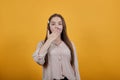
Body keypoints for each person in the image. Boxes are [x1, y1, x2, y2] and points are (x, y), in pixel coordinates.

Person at [32, 13, 81, 80]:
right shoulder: (42, 44)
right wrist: (49, 40)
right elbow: (39, 60)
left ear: (63, 26)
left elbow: (75, 66)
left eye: (59, 24)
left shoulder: (70, 44)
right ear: (49, 27)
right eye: (53, 24)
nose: (57, 26)